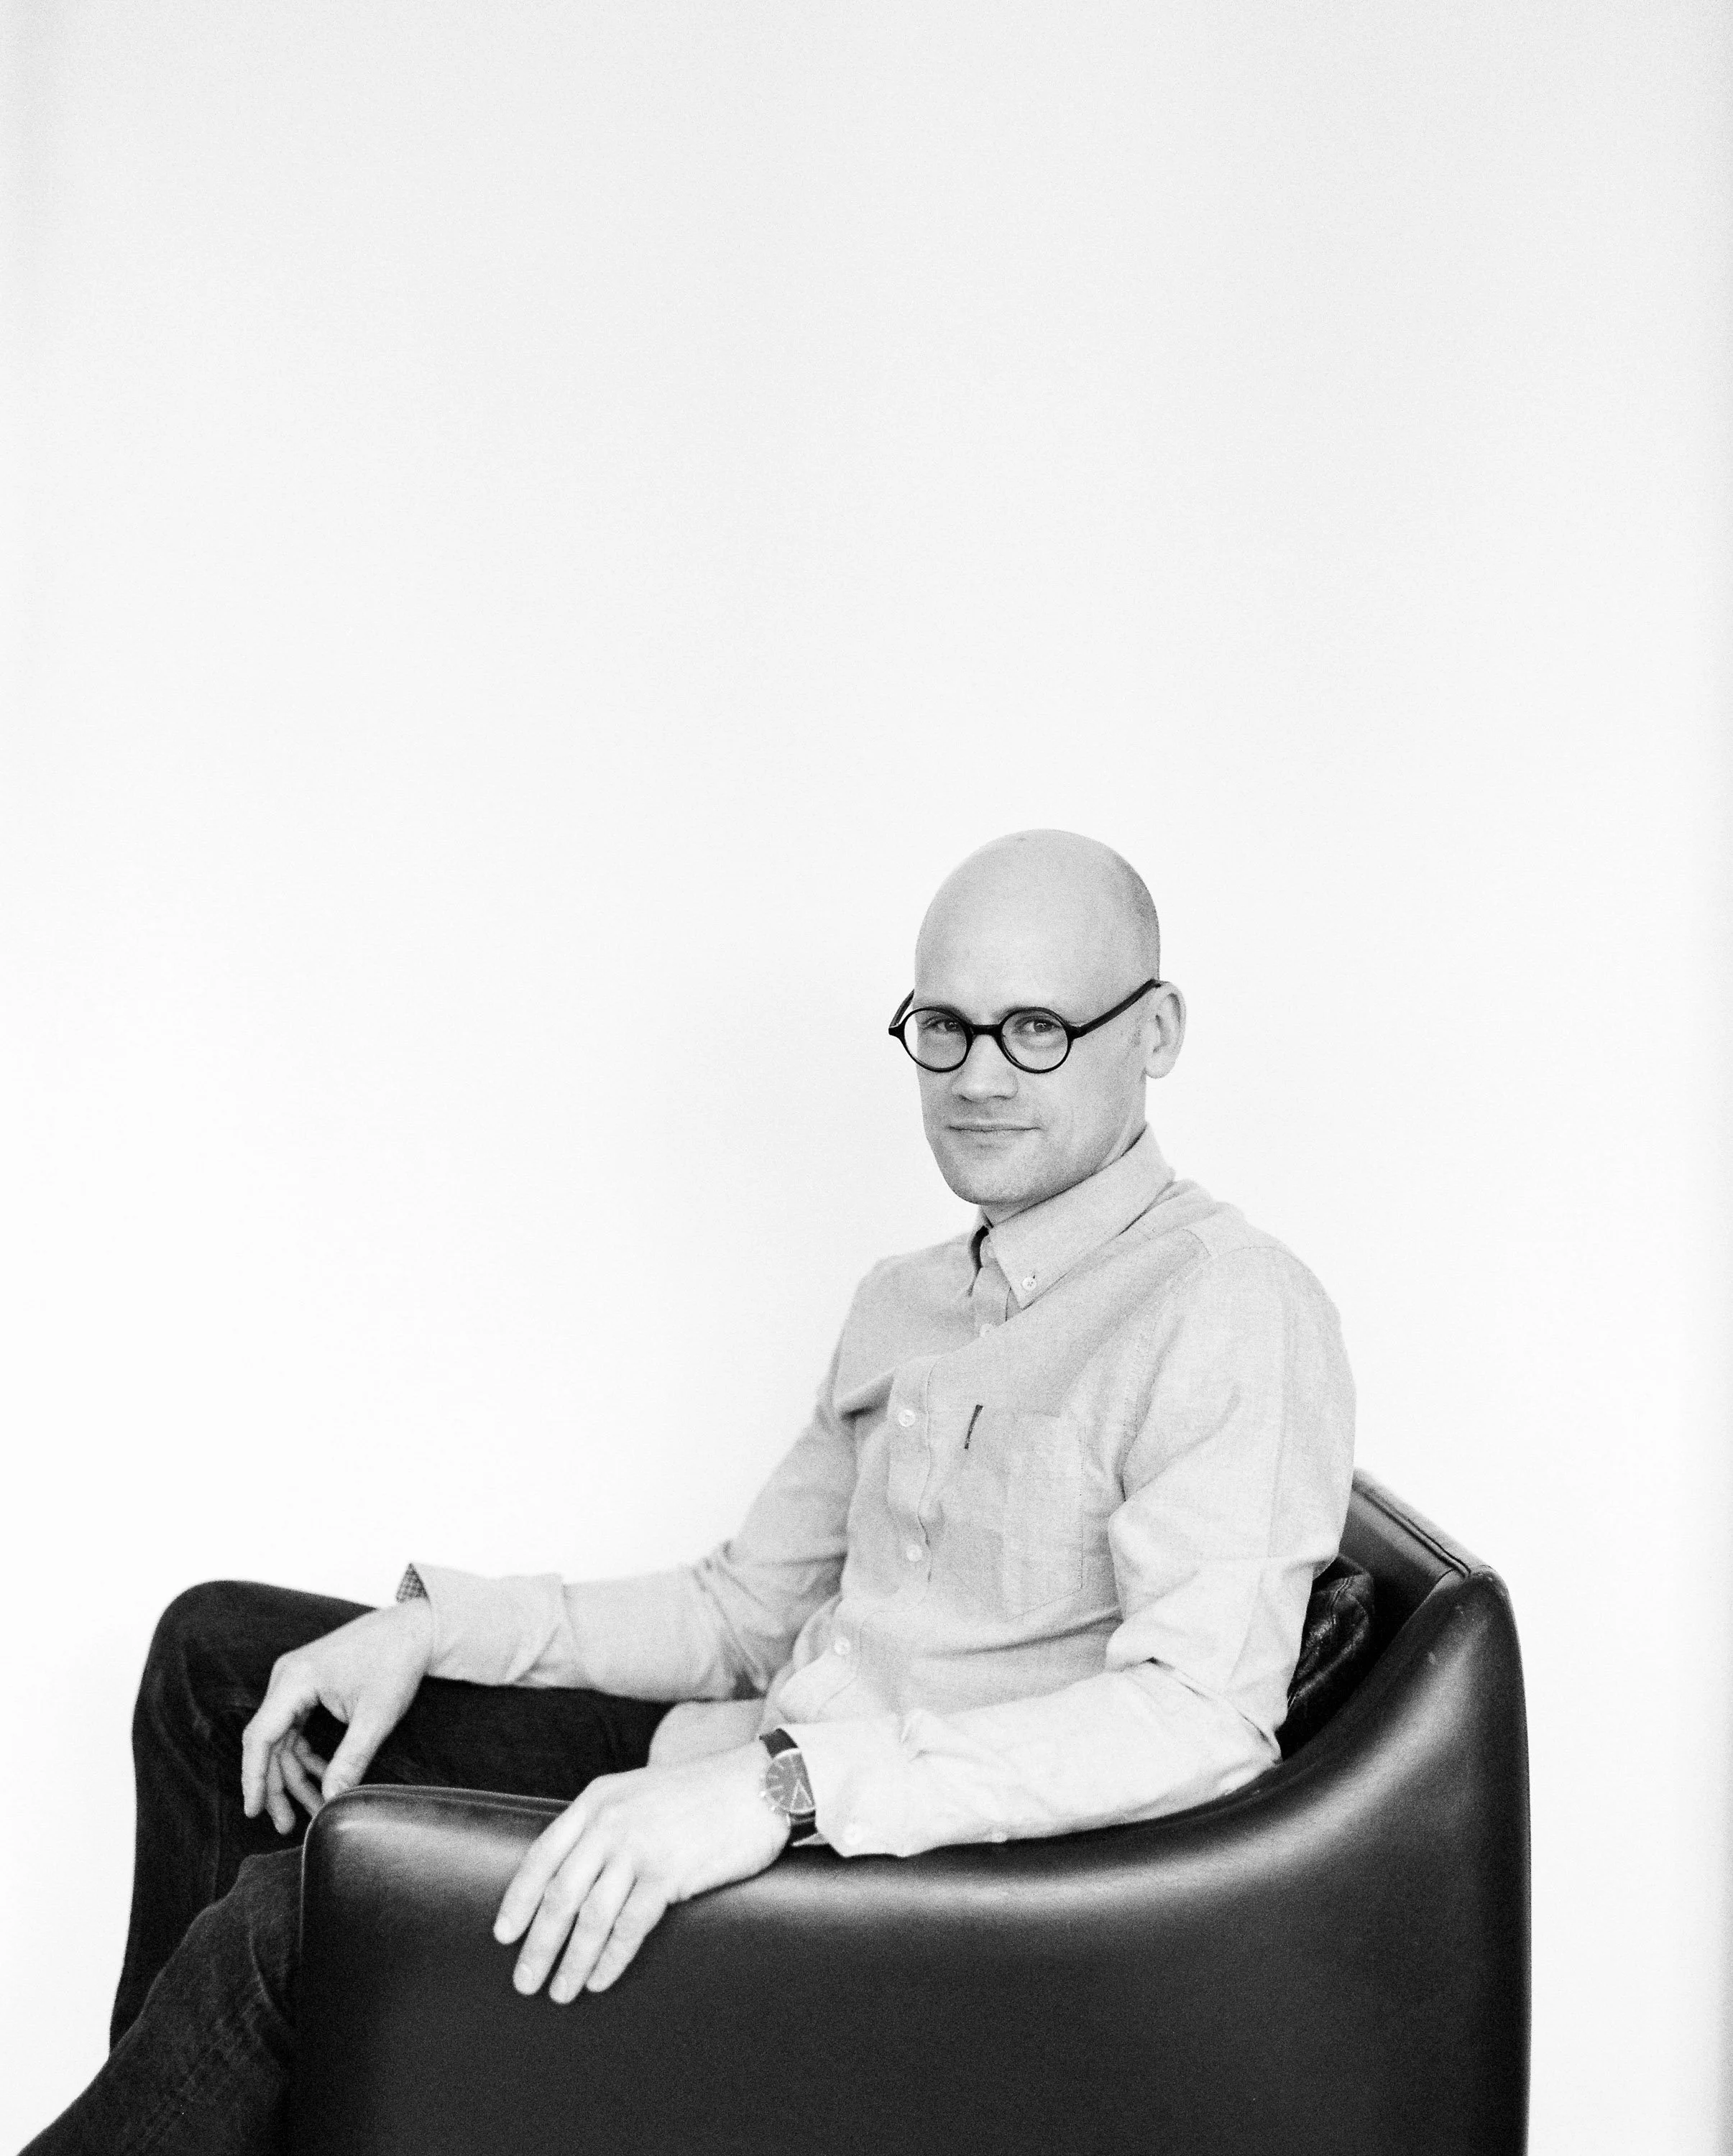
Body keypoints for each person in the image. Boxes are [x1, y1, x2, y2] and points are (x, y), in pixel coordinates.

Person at [22, 829, 1355, 2155]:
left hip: (882, 1889)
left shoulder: (1230, 1307)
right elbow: (742, 1614)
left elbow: (1198, 1720)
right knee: (221, 1662)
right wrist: (437, 1625)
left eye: (1036, 1030)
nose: (979, 1077)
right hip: (727, 1771)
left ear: (1157, 1028)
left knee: (300, 1915)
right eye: (943, 1028)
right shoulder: (905, 1303)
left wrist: (782, 1792)